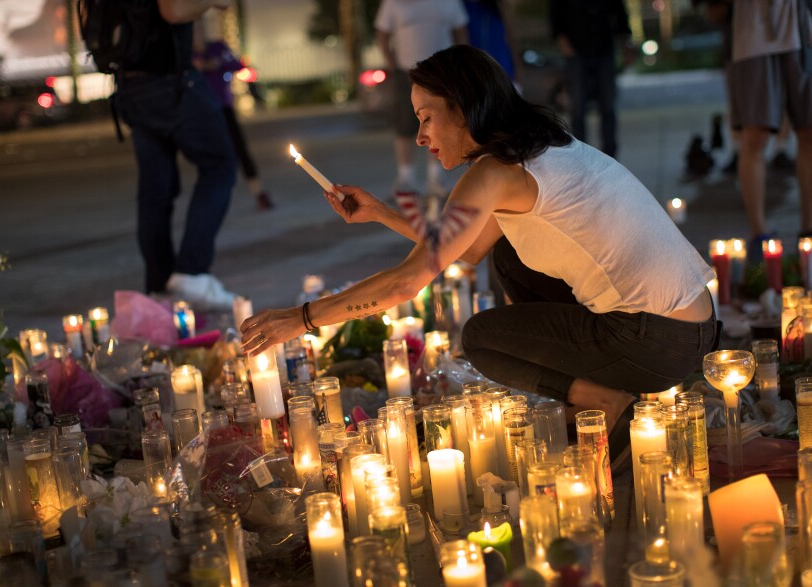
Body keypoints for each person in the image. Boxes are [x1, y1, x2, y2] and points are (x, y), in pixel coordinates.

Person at [240, 46, 718, 464]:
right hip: (691, 329)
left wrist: (303, 318)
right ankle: (601, 385)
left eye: (427, 118)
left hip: (652, 340)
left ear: (464, 109)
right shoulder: (541, 148)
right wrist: (382, 213)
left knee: (482, 338)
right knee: (507, 254)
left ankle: (604, 401)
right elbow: (467, 249)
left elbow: (407, 283)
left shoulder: (492, 173)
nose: (421, 136)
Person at [115, 0, 238, 310]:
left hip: (131, 83)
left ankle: (159, 288)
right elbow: (173, 10)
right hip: (171, 79)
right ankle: (192, 272)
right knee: (220, 165)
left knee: (155, 190)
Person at [729, 0, 812, 248]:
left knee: (809, 132)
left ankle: (808, 232)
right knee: (755, 135)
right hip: (754, 30)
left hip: (803, 25)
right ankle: (759, 234)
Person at [374, 0, 469, 196]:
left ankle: (436, 178)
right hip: (406, 71)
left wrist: (459, 64)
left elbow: (461, 32)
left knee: (439, 123)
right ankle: (406, 178)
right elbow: (382, 34)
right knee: (405, 124)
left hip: (442, 73)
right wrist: (391, 63)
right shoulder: (393, 2)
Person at [193, 12, 274, 212]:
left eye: (200, 27)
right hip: (202, 114)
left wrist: (217, 64)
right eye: (193, 29)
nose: (198, 32)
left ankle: (259, 192)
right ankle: (212, 203)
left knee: (240, 150)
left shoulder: (217, 48)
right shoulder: (187, 55)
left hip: (224, 109)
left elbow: (238, 64)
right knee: (211, 157)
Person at [549, 0, 632, 158]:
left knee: (608, 105)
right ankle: (581, 155)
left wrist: (626, 42)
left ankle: (610, 154)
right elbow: (555, 12)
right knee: (578, 108)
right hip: (576, 50)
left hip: (604, 47)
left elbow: (619, 12)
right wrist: (562, 39)